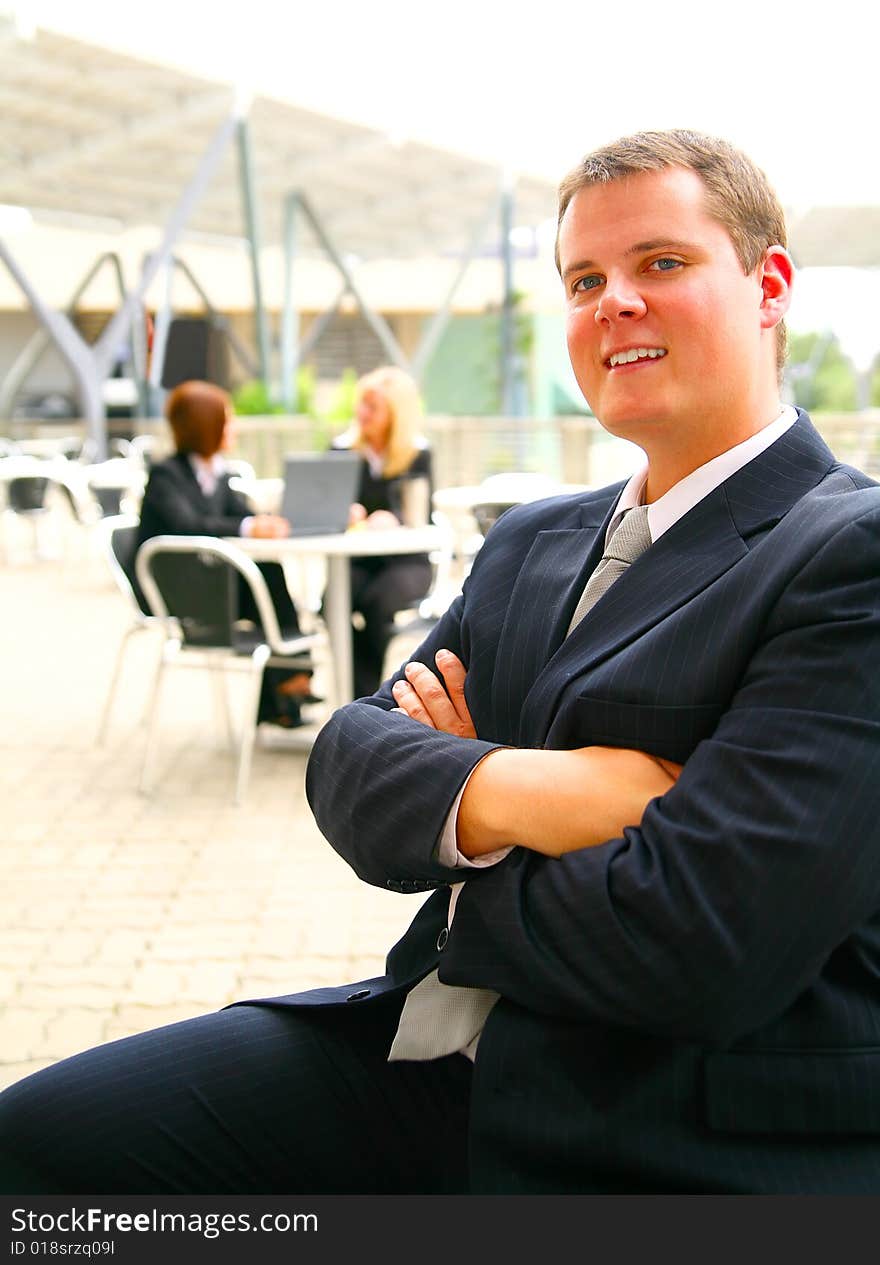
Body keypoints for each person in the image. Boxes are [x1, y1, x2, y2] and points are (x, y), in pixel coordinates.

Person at [3, 128, 880, 1195]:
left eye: (661, 263)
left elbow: (705, 941)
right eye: (583, 278)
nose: (613, 302)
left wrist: (458, 818)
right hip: (420, 1058)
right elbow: (347, 759)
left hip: (661, 1128)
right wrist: (538, 786)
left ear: (769, 286)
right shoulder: (530, 540)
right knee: (38, 1148)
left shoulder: (844, 554)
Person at [135, 379, 318, 728]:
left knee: (268, 577)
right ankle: (295, 674)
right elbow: (187, 523)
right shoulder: (166, 475)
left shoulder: (217, 474)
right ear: (206, 426)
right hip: (178, 592)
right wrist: (249, 527)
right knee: (268, 579)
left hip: (211, 583)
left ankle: (284, 692)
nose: (233, 427)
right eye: (227, 420)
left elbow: (240, 511)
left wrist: (260, 520)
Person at [330, 366, 434, 697]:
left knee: (376, 604)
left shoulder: (417, 454)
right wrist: (344, 513)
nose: (362, 414)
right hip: (356, 560)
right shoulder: (342, 451)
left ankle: (364, 696)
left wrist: (396, 518)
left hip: (406, 562)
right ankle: (358, 694)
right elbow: (326, 506)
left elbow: (422, 511)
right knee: (332, 603)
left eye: (373, 407)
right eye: (361, 404)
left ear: (396, 413)